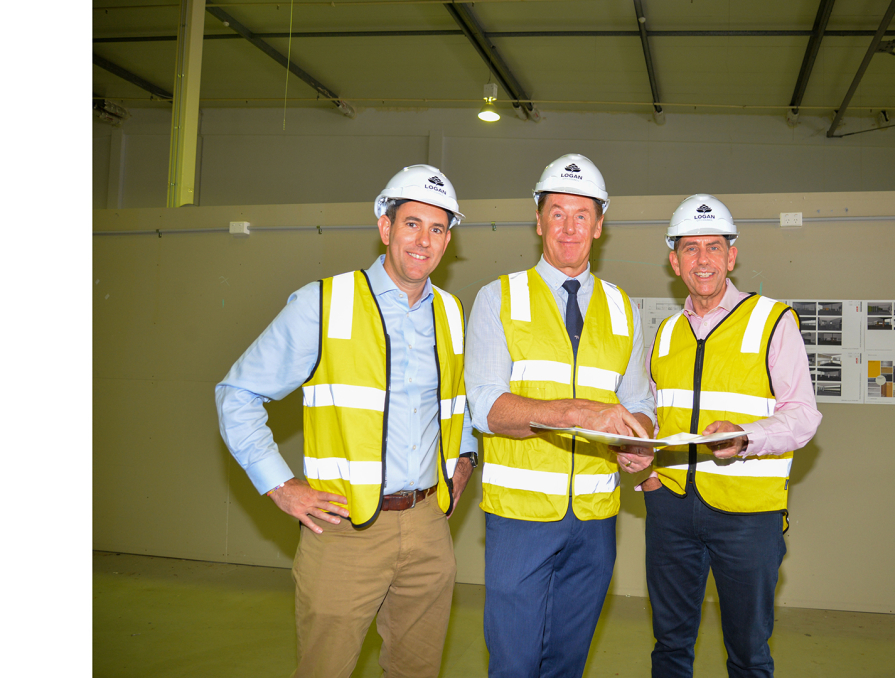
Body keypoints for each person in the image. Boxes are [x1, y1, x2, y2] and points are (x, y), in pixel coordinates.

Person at [215, 164, 477, 678]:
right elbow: (237, 394)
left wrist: (464, 457)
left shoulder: (449, 312)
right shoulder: (323, 304)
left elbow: (454, 401)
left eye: (438, 228)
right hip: (343, 531)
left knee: (416, 671)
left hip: (428, 526)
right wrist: (280, 486)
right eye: (412, 224)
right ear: (385, 227)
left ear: (448, 240)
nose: (424, 240)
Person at [464, 153, 657, 677]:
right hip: (520, 518)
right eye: (557, 213)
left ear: (599, 224)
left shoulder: (624, 308)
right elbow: (484, 405)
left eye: (581, 215)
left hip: (595, 520)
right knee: (515, 661)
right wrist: (577, 412)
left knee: (568, 663)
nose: (568, 227)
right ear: (538, 220)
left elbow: (640, 401)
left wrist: (638, 439)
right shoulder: (497, 298)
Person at [639, 194, 823, 678]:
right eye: (691, 248)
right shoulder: (666, 332)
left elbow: (804, 416)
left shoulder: (772, 321)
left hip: (748, 517)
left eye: (714, 247)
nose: (703, 260)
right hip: (671, 509)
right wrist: (649, 486)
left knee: (747, 652)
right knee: (670, 645)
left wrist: (746, 437)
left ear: (732, 256)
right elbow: (652, 421)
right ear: (674, 259)